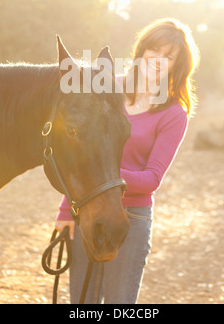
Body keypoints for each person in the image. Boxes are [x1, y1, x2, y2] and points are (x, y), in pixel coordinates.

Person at [55, 17, 200, 304]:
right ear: (142, 51)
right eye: (154, 51)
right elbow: (82, 155)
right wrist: (64, 210)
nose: (158, 61)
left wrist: (103, 177)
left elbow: (151, 180)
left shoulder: (173, 114)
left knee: (119, 304)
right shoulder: (109, 89)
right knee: (81, 303)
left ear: (177, 67)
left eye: (168, 57)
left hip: (131, 218)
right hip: (86, 210)